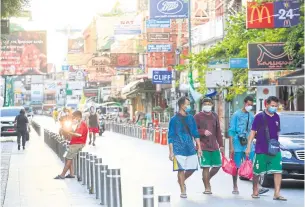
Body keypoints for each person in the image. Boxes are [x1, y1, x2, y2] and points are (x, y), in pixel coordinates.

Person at [246, 96, 286, 201]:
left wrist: (278, 144)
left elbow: (277, 132)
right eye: (272, 105)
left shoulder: (277, 116)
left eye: (276, 106)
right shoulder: (259, 116)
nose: (274, 108)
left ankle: (277, 193)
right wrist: (248, 146)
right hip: (261, 148)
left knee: (278, 171)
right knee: (257, 172)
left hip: (274, 149)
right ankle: (255, 190)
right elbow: (252, 132)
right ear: (266, 105)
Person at [168, 96, 202, 198]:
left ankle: (181, 180)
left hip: (190, 147)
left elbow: (195, 133)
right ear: (181, 105)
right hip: (178, 148)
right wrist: (171, 151)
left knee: (192, 168)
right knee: (180, 169)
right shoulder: (174, 120)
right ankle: (182, 188)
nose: (189, 106)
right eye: (187, 104)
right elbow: (171, 136)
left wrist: (199, 147)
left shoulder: (191, 118)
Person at [194, 98, 224, 194]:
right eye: (205, 103)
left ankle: (206, 179)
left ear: (212, 105)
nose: (207, 105)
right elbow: (193, 130)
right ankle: (207, 187)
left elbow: (218, 132)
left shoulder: (215, 116)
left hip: (214, 145)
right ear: (202, 105)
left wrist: (221, 145)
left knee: (218, 166)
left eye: (209, 103)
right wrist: (203, 131)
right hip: (203, 146)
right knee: (206, 167)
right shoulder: (197, 116)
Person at [54, 110, 88, 179]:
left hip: (78, 144)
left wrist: (68, 132)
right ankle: (71, 174)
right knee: (67, 157)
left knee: (69, 158)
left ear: (78, 117)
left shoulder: (82, 124)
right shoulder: (79, 124)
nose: (73, 119)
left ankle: (62, 175)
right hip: (74, 143)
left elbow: (79, 135)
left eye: (74, 117)